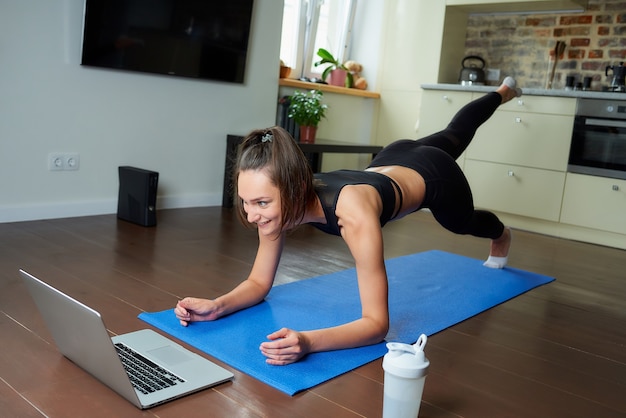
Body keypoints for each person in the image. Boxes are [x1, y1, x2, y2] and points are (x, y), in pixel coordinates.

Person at [175, 77, 522, 365]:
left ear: (294, 187)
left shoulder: (352, 215)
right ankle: (504, 91)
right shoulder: (277, 208)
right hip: (393, 156)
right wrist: (216, 306)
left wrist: (308, 342)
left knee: (463, 218)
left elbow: (376, 324)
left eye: (261, 202)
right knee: (454, 132)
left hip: (434, 178)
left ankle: (501, 233)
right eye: (246, 202)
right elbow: (259, 283)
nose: (252, 215)